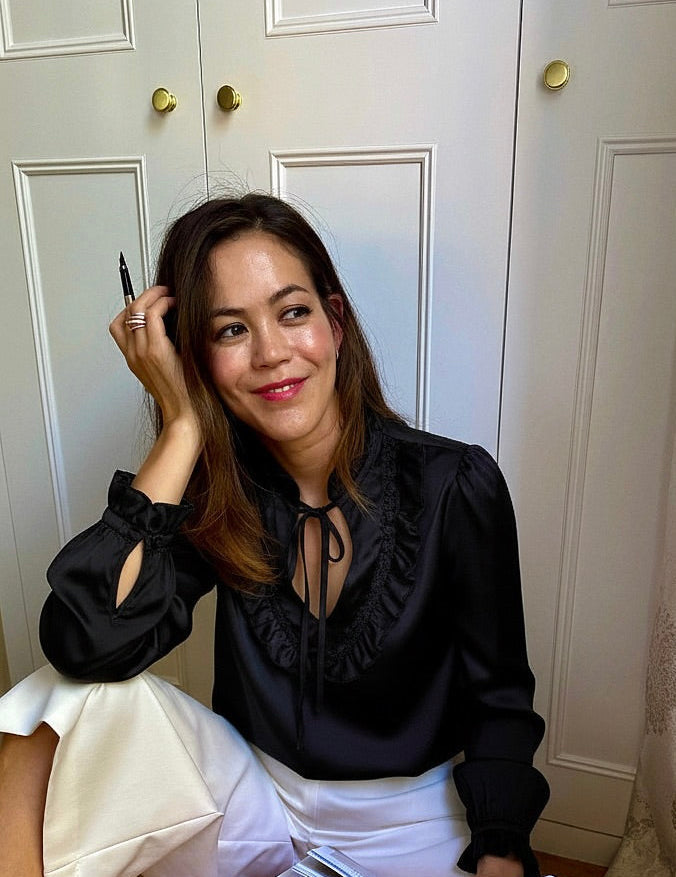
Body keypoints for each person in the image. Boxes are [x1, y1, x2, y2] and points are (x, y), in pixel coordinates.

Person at [0, 194, 549, 877]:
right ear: (193, 356)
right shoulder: (217, 495)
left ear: (335, 322)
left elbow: (499, 698)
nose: (271, 353)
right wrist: (181, 425)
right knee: (57, 702)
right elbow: (87, 642)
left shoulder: (453, 483)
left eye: (293, 312)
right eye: (230, 331)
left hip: (409, 823)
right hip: (255, 799)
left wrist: (500, 847)